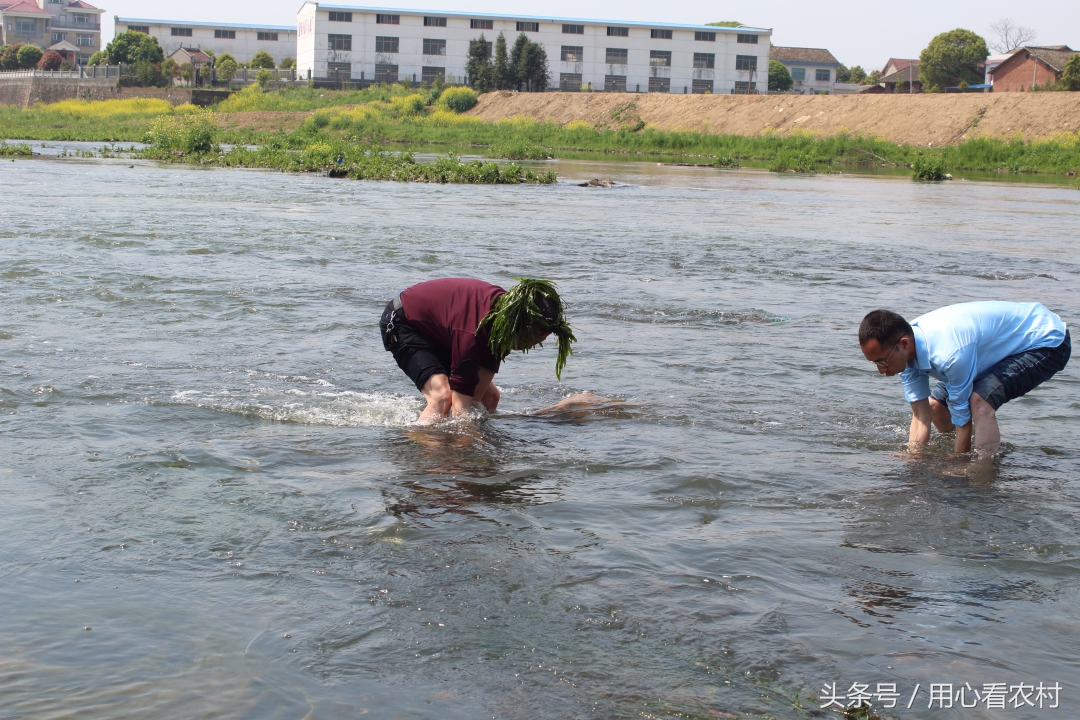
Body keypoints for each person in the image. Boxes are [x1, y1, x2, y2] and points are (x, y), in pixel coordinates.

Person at [859, 302, 1070, 455]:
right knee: (936, 408)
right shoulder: (905, 351)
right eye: (874, 362)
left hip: (1045, 340)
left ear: (904, 344)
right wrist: (914, 462)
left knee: (979, 401)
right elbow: (921, 416)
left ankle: (982, 478)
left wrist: (956, 466)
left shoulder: (949, 354)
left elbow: (963, 419)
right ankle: (960, 451)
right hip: (989, 350)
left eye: (882, 361)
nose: (881, 370)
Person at [380, 277, 576, 423]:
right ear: (518, 327)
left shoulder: (503, 327)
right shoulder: (473, 333)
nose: (532, 345)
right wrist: (467, 439)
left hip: (442, 332)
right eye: (533, 338)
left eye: (540, 340)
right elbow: (461, 410)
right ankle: (420, 455)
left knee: (490, 398)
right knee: (442, 396)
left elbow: (472, 401)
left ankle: (446, 443)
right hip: (403, 322)